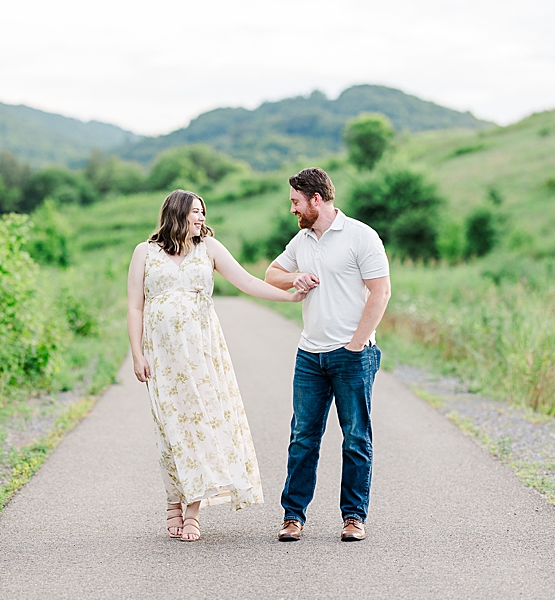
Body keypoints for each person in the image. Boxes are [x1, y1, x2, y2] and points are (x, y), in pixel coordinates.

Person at [127, 189, 307, 542]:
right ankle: (173, 500)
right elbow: (135, 305)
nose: (201, 218)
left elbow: (248, 282)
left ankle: (192, 508)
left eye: (203, 212)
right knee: (169, 428)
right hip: (162, 357)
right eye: (196, 212)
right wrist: (137, 354)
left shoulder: (209, 248)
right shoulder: (144, 253)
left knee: (199, 427)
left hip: (203, 355)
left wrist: (290, 296)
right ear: (177, 213)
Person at [264, 167, 391, 542]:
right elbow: (272, 273)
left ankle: (353, 517)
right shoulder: (302, 240)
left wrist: (355, 345)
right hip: (310, 356)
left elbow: (380, 292)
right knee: (303, 437)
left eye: (295, 202)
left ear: (315, 199)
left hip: (352, 354)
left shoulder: (361, 236)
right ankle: (293, 516)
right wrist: (295, 277)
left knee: (355, 437)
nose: (293, 209)